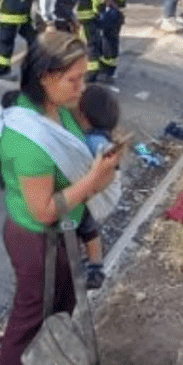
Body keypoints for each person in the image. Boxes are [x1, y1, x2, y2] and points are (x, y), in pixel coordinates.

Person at [0, 32, 124, 365]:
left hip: (62, 239)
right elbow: (45, 210)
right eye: (74, 80)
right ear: (46, 77)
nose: (81, 89)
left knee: (60, 308)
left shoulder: (57, 109)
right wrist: (94, 180)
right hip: (38, 242)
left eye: (84, 78)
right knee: (30, 320)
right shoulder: (28, 140)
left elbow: (78, 145)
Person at [72, 84, 122, 290]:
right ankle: (96, 265)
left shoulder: (92, 141)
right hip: (95, 195)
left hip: (89, 195)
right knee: (90, 230)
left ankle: (87, 267)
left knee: (82, 228)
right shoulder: (103, 137)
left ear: (84, 118)